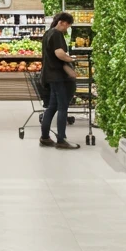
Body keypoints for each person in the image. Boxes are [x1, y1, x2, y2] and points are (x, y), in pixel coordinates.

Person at [39, 11, 79, 149]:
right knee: (62, 107)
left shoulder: (48, 33)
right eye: (67, 25)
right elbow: (59, 53)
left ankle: (45, 138)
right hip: (57, 76)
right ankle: (61, 140)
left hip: (49, 75)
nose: (67, 28)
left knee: (52, 106)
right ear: (61, 22)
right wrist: (72, 59)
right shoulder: (56, 34)